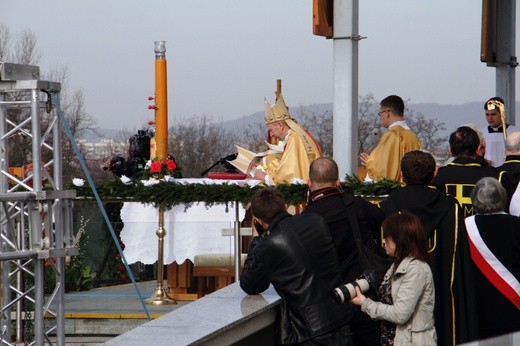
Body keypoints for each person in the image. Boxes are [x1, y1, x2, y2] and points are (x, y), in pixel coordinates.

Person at [240, 187, 352, 345]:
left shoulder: (269, 245)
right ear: (284, 207)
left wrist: (257, 240)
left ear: (258, 221)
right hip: (340, 315)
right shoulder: (316, 221)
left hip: (310, 328)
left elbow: (250, 284)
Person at [379, 150, 467, 346]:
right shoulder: (450, 206)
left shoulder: (390, 205)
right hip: (443, 287)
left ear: (401, 175)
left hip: (404, 293)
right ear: (434, 174)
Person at [302, 157, 385, 346]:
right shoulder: (356, 205)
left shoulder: (307, 218)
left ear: (309, 184)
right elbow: (383, 220)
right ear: (338, 183)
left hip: (329, 307)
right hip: (364, 293)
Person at [350, 212, 437, 346]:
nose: (383, 241)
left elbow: (400, 314)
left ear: (401, 238)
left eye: (387, 237)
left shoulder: (416, 269)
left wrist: (365, 303)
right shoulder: (397, 265)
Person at [463, 177, 520, 340]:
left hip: (476, 305)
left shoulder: (463, 227)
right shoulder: (517, 225)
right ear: (503, 198)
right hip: (513, 306)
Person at [432, 126, 512, 217]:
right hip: (484, 229)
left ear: (450, 150)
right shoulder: (496, 176)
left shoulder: (437, 176)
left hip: (450, 230)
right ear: (478, 149)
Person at [250, 93, 321, 185]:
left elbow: (289, 176)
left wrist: (265, 177)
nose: (271, 135)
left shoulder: (295, 139)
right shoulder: (296, 135)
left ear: (280, 126)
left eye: (271, 130)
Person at [359, 95, 421, 182]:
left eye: (380, 113)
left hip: (396, 191)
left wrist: (370, 162)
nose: (380, 117)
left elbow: (384, 171)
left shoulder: (392, 135)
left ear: (387, 113)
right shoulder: (413, 137)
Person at [481, 96, 520, 167]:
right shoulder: (481, 133)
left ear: (502, 114)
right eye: (487, 115)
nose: (490, 118)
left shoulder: (515, 133)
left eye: (493, 114)